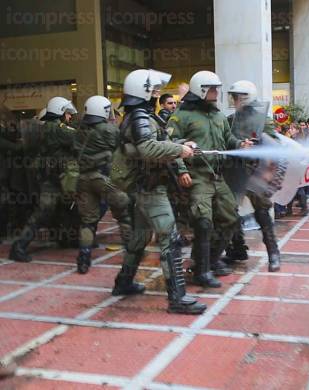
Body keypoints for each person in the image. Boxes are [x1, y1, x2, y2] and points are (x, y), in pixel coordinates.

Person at [111, 68, 206, 315]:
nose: (156, 94)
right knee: (170, 239)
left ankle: (123, 282)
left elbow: (152, 144)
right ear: (142, 91)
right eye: (153, 90)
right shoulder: (140, 118)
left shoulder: (137, 116)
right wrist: (179, 150)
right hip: (150, 189)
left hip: (145, 187)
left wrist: (179, 146)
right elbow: (148, 149)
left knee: (140, 238)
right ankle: (178, 298)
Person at [167, 70, 252, 288]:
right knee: (203, 222)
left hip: (217, 175)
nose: (216, 93)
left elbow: (227, 138)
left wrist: (240, 144)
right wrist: (181, 170)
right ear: (201, 90)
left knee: (230, 218)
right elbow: (170, 144)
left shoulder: (218, 115)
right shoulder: (181, 116)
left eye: (217, 89)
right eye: (212, 89)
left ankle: (210, 261)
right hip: (196, 176)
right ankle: (201, 272)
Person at [9, 97, 78, 262]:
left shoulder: (45, 127)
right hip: (54, 180)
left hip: (52, 177)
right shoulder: (56, 128)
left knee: (64, 209)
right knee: (43, 212)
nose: (69, 117)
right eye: (67, 114)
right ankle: (19, 246)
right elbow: (80, 138)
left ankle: (66, 239)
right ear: (60, 112)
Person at [222, 80, 281, 272]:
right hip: (235, 171)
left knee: (262, 213)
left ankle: (273, 253)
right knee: (230, 212)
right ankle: (237, 249)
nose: (235, 100)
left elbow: (271, 144)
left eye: (238, 97)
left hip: (256, 172)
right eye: (234, 97)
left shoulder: (264, 120)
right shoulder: (230, 119)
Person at [74, 96, 132, 274]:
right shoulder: (109, 129)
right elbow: (123, 148)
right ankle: (133, 252)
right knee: (123, 214)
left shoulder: (78, 131)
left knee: (88, 222)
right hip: (104, 178)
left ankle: (84, 259)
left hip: (83, 179)